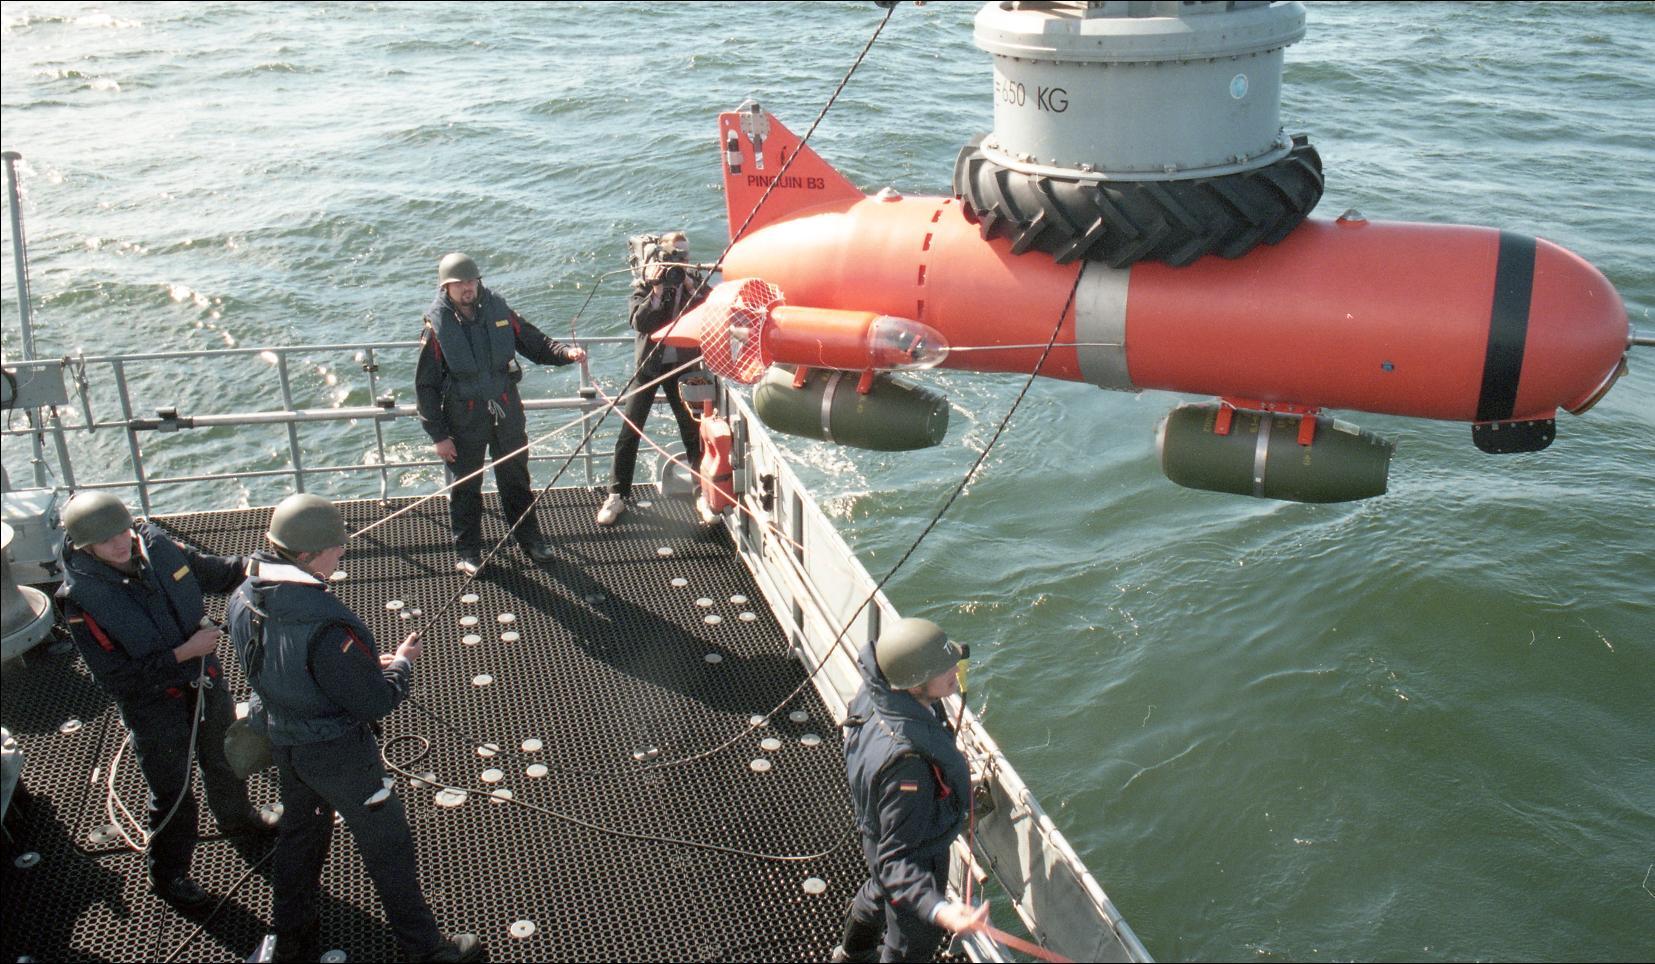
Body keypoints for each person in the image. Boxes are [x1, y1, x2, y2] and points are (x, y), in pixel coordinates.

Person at [226, 494, 480, 963]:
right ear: (307, 555)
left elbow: (279, 665)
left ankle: (290, 933)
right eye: (335, 546)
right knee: (388, 847)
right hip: (338, 756)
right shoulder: (323, 621)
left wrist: (357, 668)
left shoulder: (242, 597)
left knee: (301, 834)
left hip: (284, 740)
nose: (342, 550)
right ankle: (425, 949)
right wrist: (400, 665)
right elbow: (375, 701)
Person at [55, 491, 276, 911]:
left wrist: (271, 564)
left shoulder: (157, 545)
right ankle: (168, 873)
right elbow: (116, 679)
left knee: (225, 757)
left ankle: (237, 819)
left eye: (123, 531)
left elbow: (217, 573)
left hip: (204, 682)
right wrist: (183, 654)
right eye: (106, 540)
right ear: (86, 547)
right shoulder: (81, 599)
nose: (120, 543)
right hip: (153, 705)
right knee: (172, 792)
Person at [415, 251, 587, 575]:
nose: (467, 288)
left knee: (516, 478)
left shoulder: (499, 310)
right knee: (466, 486)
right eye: (459, 283)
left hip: (506, 409)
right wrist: (438, 436)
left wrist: (566, 353)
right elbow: (425, 387)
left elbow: (535, 342)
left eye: (471, 281)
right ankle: (468, 551)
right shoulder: (436, 329)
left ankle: (529, 539)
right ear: (446, 287)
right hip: (464, 417)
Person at [835, 618, 991, 963]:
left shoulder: (877, 693)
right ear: (915, 683)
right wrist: (938, 909)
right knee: (912, 943)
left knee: (878, 888)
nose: (955, 669)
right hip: (912, 847)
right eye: (942, 668)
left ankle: (851, 954)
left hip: (877, 826)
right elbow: (895, 862)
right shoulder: (909, 768)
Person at [594, 231, 708, 526]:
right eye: (675, 256)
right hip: (649, 365)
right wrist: (656, 292)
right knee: (630, 429)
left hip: (682, 365)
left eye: (685, 255)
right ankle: (617, 495)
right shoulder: (645, 285)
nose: (681, 261)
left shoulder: (694, 283)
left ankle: (702, 493)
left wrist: (691, 287)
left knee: (692, 430)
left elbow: (710, 312)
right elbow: (639, 322)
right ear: (662, 257)